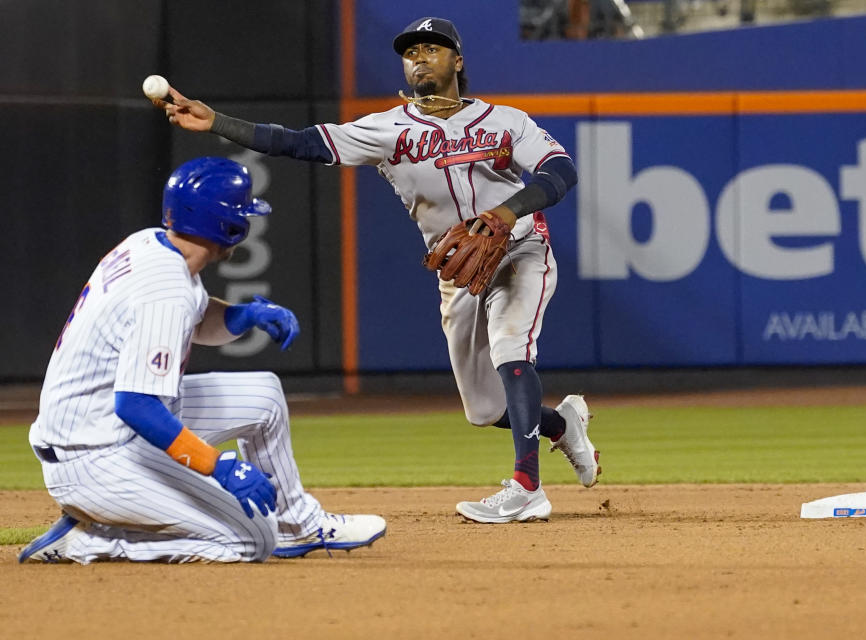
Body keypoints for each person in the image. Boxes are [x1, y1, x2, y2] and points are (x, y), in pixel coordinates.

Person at [156, 17, 600, 524]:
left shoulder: (506, 121)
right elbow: (298, 142)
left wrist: (506, 213)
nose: (419, 58)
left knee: (510, 346)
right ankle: (560, 425)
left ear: (458, 60)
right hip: (459, 271)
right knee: (484, 409)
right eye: (411, 52)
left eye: (432, 49)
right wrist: (216, 121)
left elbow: (561, 170)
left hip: (522, 249)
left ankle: (526, 487)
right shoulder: (386, 129)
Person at [19, 157, 386, 564]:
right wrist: (220, 466)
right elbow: (136, 405)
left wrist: (242, 315)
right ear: (227, 226)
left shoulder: (151, 243)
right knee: (249, 542)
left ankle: (295, 524)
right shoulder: (166, 288)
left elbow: (188, 315)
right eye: (242, 213)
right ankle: (92, 540)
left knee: (263, 395)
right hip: (94, 458)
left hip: (102, 426)